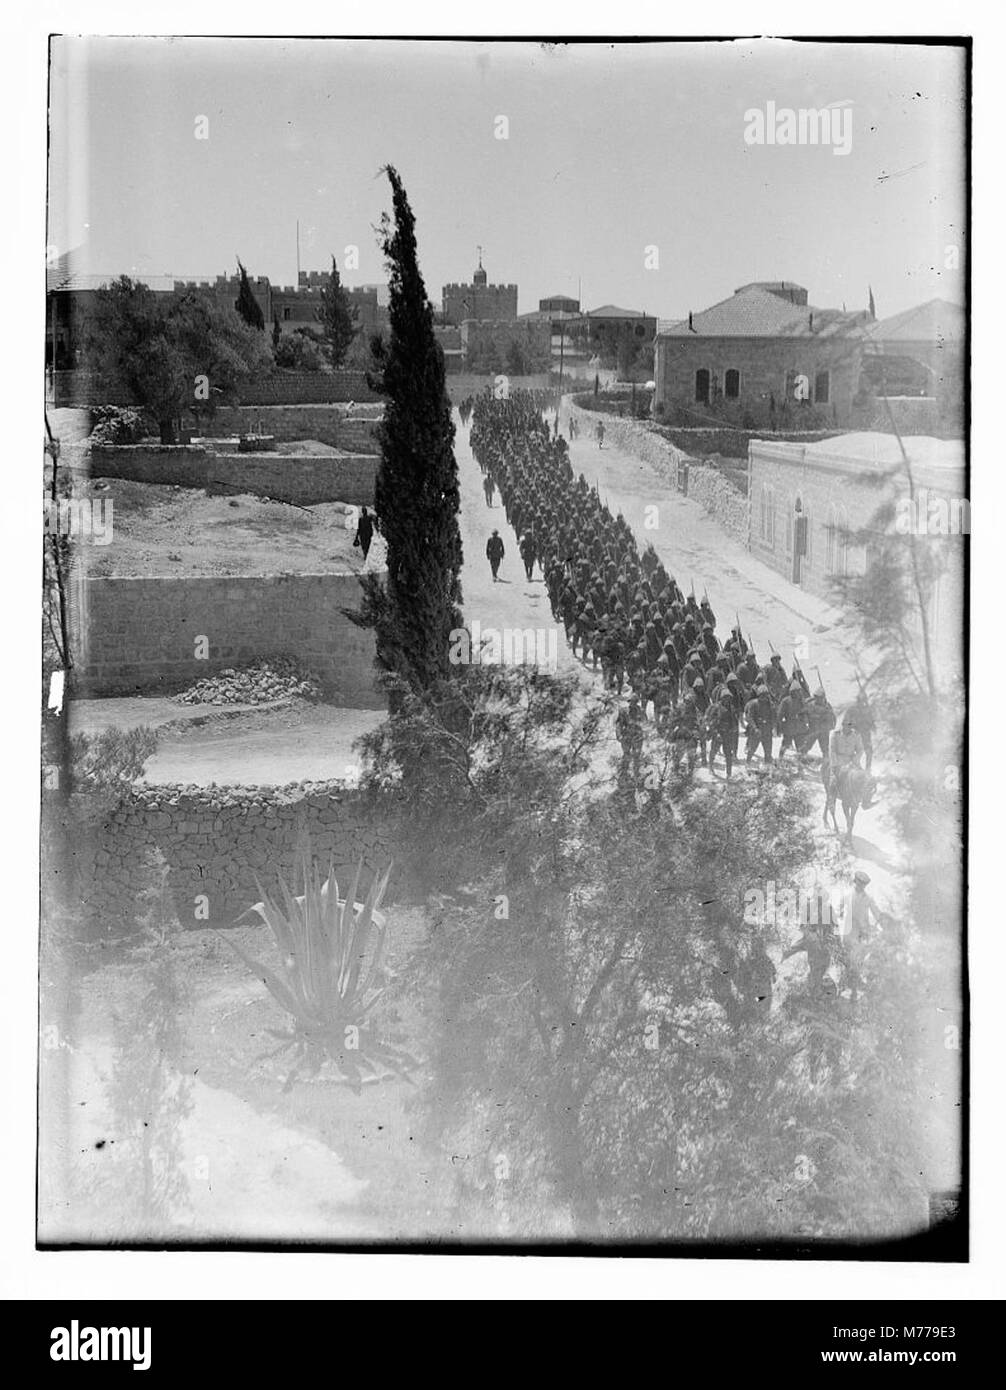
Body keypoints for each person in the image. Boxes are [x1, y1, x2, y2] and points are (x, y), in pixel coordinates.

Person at [837, 869, 884, 1000]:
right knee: (849, 959)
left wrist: (882, 923)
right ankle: (849, 984)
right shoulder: (846, 894)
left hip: (862, 933)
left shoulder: (868, 898)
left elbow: (877, 913)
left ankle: (854, 985)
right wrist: (839, 916)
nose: (861, 886)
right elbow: (838, 909)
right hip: (847, 933)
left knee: (857, 958)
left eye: (863, 884)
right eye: (859, 883)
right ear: (855, 882)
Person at [616, 694, 644, 780]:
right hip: (627, 736)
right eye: (632, 701)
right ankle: (624, 774)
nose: (633, 703)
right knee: (626, 755)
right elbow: (618, 724)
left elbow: (645, 722)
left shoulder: (641, 710)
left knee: (637, 756)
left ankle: (637, 775)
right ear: (629, 702)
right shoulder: (624, 711)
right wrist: (619, 735)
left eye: (635, 702)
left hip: (637, 736)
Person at [849, 690, 875, 770]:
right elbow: (850, 723)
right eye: (861, 701)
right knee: (856, 752)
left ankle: (867, 769)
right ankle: (856, 767)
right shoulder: (854, 710)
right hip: (857, 735)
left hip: (866, 734)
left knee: (869, 752)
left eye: (864, 700)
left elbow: (872, 722)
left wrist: (871, 725)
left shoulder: (868, 710)